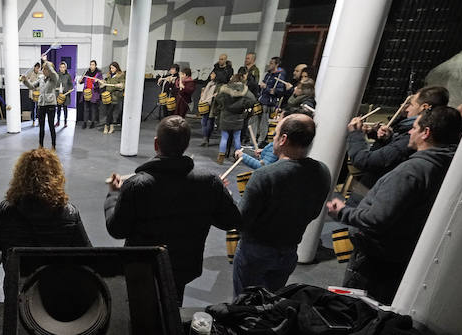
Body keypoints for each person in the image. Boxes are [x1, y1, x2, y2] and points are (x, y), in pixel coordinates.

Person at [327, 106, 462, 304]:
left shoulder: (412, 171)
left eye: (415, 127)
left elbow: (376, 218)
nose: (410, 131)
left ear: (426, 133)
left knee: (354, 308)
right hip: (399, 252)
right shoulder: (446, 164)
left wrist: (342, 212)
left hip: (376, 258)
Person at [105, 115, 241, 303]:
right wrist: (216, 194)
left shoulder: (137, 185)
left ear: (156, 144)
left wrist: (113, 195)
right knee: (172, 307)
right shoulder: (208, 182)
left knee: (139, 310)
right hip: (183, 267)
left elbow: (117, 229)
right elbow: (230, 221)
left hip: (142, 265)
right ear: (186, 145)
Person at [233, 113, 330, 295]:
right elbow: (314, 213)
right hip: (289, 251)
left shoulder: (265, 175)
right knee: (271, 304)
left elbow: (241, 220)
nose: (274, 139)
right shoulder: (323, 171)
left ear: (284, 139)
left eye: (276, 134)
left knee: (244, 305)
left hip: (255, 251)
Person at [0, 148, 91, 298]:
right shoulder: (69, 214)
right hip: (54, 291)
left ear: (19, 177)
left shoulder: (5, 212)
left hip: (16, 290)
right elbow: (88, 258)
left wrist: (5, 259)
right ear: (56, 177)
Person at [346, 86, 449, 188]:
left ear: (424, 107)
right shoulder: (407, 129)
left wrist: (355, 133)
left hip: (375, 192)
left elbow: (366, 161)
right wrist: (387, 138)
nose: (405, 107)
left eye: (411, 104)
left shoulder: (411, 139)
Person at [236, 108, 314, 170]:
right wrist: (264, 151)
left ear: (283, 140)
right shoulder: (318, 170)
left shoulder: (268, 176)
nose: (274, 137)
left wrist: (243, 156)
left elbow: (263, 167)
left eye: (276, 134)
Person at [213, 73, 256, 164]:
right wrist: (243, 105)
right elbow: (252, 100)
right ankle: (238, 157)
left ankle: (221, 157)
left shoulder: (225, 88)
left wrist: (223, 105)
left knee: (224, 137)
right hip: (238, 116)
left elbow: (218, 98)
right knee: (237, 138)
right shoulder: (245, 90)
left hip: (225, 115)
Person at [21, 59, 60, 149]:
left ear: (50, 70)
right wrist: (25, 80)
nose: (43, 70)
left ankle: (53, 146)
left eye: (45, 69)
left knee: (51, 126)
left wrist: (46, 62)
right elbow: (31, 86)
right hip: (41, 104)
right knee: (41, 126)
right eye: (43, 69)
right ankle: (40, 145)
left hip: (51, 104)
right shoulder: (41, 78)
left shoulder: (54, 78)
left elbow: (53, 73)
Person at [252, 57, 287, 146]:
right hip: (261, 100)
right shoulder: (268, 74)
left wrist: (266, 88)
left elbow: (278, 91)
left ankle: (260, 142)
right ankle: (253, 140)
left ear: (276, 64)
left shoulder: (280, 76)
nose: (269, 65)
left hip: (269, 103)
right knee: (255, 121)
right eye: (269, 62)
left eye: (271, 63)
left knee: (264, 123)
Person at [99, 61, 125, 134]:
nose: (111, 69)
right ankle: (112, 126)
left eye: (113, 68)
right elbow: (105, 83)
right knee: (109, 112)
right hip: (108, 96)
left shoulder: (120, 75)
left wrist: (120, 85)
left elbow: (123, 85)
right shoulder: (109, 75)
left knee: (109, 112)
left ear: (116, 68)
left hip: (115, 96)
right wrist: (102, 83)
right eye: (110, 68)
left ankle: (106, 126)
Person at [79, 60, 103, 129]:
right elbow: (81, 81)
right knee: (86, 108)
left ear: (95, 66)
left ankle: (92, 122)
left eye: (93, 64)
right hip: (86, 93)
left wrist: (97, 81)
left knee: (93, 109)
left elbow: (101, 83)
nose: (91, 66)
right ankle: (85, 122)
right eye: (91, 64)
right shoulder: (86, 73)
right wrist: (80, 81)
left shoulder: (98, 73)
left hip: (94, 93)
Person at [197, 71, 219, 147]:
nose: (211, 75)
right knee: (203, 122)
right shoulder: (209, 83)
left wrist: (206, 100)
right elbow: (204, 93)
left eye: (213, 74)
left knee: (209, 121)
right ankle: (205, 137)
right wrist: (202, 100)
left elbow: (214, 96)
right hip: (205, 104)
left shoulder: (217, 85)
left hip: (212, 105)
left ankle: (206, 138)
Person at [55, 61, 74, 128]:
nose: (62, 68)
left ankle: (65, 122)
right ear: (59, 68)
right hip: (58, 94)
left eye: (63, 67)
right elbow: (54, 84)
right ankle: (58, 121)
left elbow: (71, 85)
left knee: (65, 109)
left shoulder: (68, 76)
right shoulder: (57, 75)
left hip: (66, 95)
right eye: (61, 67)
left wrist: (70, 89)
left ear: (65, 68)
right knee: (58, 109)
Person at [26, 62, 42, 127]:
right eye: (36, 68)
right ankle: (33, 121)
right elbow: (27, 79)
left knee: (39, 108)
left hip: (39, 92)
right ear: (34, 67)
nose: (37, 69)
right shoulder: (31, 73)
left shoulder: (41, 74)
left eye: (38, 68)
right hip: (32, 92)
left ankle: (39, 121)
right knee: (33, 107)